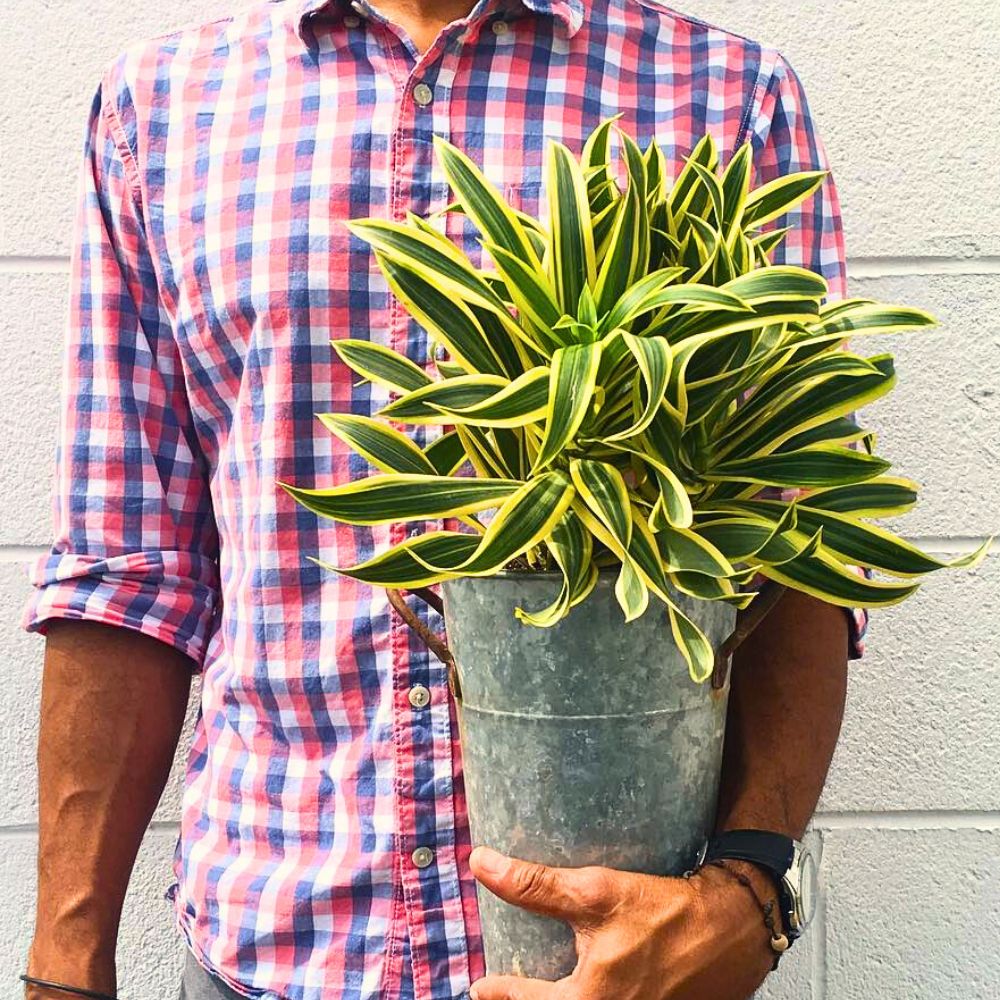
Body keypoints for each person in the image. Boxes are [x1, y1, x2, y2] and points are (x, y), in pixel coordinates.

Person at [21, 1, 868, 998]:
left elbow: (800, 537)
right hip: (271, 949)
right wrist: (65, 966)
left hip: (616, 966)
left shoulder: (723, 93)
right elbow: (130, 566)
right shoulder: (161, 105)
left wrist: (749, 891)